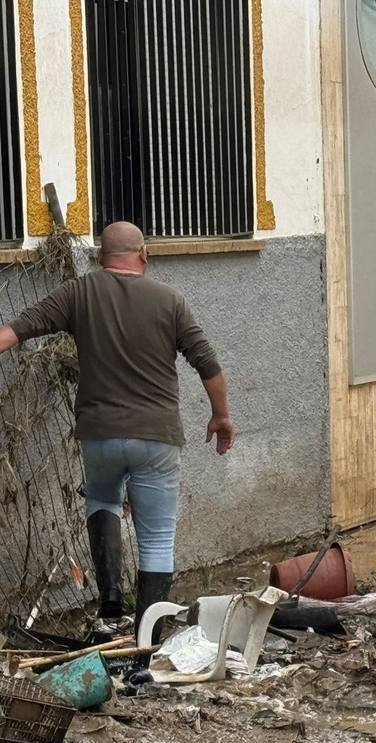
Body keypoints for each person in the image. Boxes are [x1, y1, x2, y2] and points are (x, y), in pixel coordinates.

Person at [0, 222, 234, 631]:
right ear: (144, 254)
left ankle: (110, 597)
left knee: (102, 500)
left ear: (99, 257)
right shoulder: (170, 300)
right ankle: (148, 636)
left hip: (100, 435)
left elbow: (15, 332)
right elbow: (207, 364)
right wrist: (221, 416)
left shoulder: (79, 292)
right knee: (157, 538)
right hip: (157, 436)